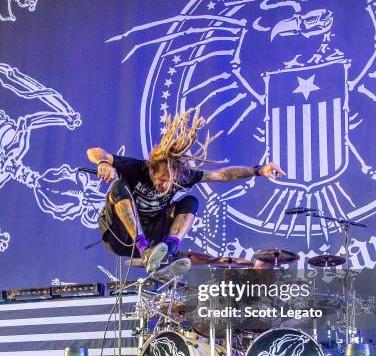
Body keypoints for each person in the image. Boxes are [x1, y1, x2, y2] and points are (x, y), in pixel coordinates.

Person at [87, 108, 285, 276]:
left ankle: (169, 251)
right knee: (118, 187)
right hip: (120, 236)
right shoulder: (137, 167)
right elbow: (95, 151)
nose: (164, 185)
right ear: (150, 171)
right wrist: (104, 162)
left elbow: (222, 175)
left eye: (168, 181)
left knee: (190, 201)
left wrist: (258, 170)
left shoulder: (183, 176)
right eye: (160, 180)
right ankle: (144, 249)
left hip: (153, 234)